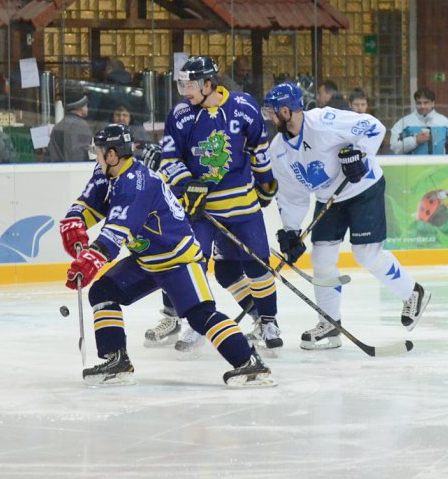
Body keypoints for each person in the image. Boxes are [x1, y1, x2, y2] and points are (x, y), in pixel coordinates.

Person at [59, 124, 274, 388]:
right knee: (103, 292)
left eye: (100, 152)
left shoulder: (136, 185)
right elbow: (92, 200)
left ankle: (249, 363)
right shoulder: (110, 171)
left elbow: (117, 231)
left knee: (200, 315)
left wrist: (91, 258)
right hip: (147, 260)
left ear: (112, 154)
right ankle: (117, 361)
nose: (97, 157)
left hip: (179, 261)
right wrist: (75, 220)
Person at [263, 82, 431, 349]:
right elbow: (291, 194)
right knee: (321, 257)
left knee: (366, 254)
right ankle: (329, 323)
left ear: (285, 111)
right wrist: (291, 230)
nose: (269, 118)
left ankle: (412, 292)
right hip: (329, 198)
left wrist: (358, 155)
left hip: (363, 187)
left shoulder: (324, 121)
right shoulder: (278, 150)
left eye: (271, 112)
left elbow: (373, 126)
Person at [146, 56, 282, 354]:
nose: (185, 92)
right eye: (182, 85)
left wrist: (266, 183)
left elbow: (258, 148)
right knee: (192, 264)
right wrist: (187, 185)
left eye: (190, 85)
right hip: (201, 210)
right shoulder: (180, 114)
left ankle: (268, 321)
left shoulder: (244, 106)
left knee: (257, 263)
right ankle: (199, 322)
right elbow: (170, 159)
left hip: (242, 206)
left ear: (209, 84)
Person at [390, 87, 448, 155]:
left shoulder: (445, 123)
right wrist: (415, 140)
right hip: (412, 163)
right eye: (419, 103)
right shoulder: (404, 123)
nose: (422, 106)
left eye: (426, 103)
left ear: (433, 103)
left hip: (439, 163)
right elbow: (394, 148)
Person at [47, 87, 92, 162]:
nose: (87, 108)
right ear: (81, 107)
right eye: (86, 105)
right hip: (75, 169)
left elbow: (51, 154)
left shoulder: (58, 126)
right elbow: (79, 154)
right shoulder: (80, 125)